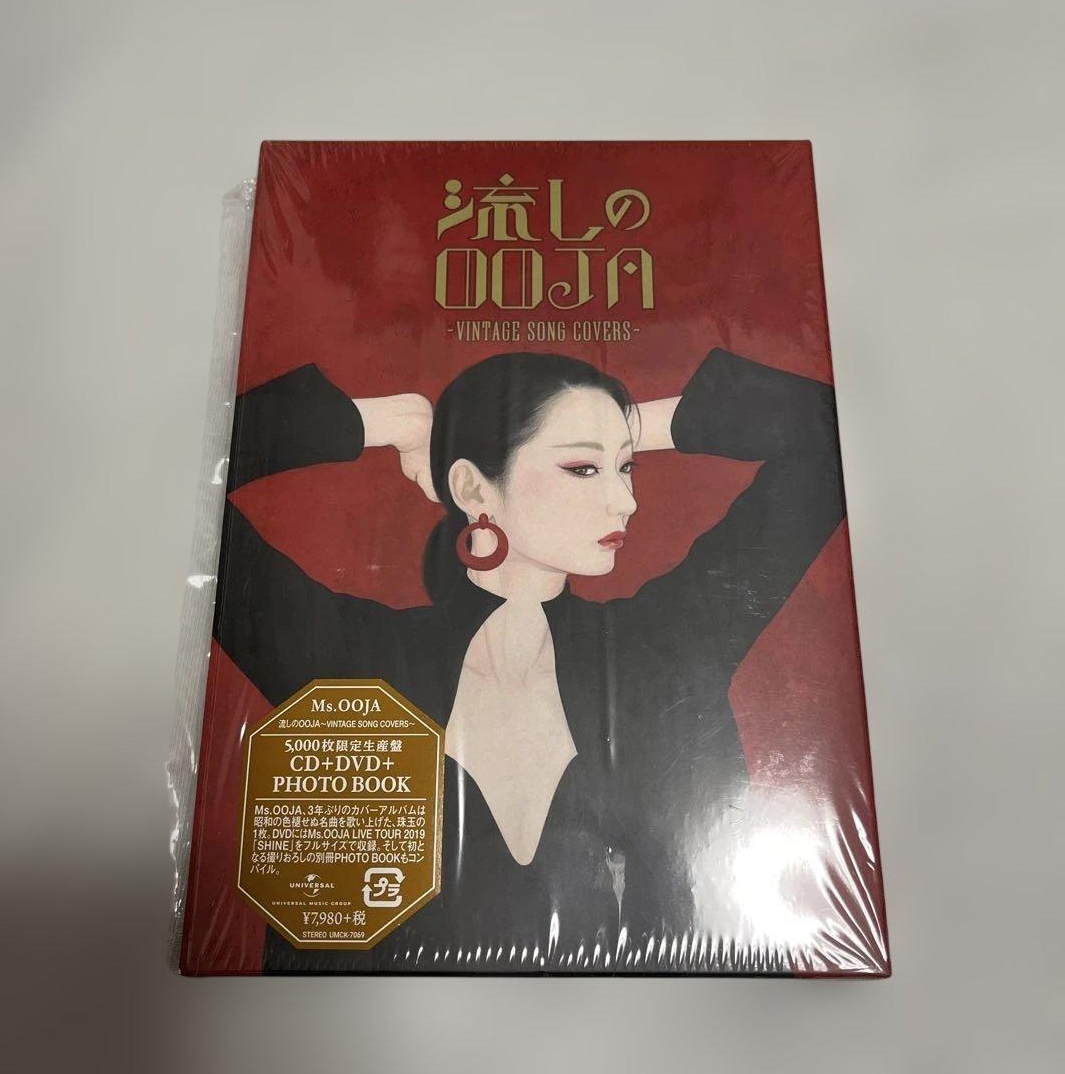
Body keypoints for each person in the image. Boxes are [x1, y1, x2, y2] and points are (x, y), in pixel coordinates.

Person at [215, 347, 845, 973]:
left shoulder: (669, 642)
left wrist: (632, 426)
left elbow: (826, 438)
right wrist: (383, 422)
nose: (625, 501)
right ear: (472, 487)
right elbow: (182, 487)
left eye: (627, 468)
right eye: (582, 468)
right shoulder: (352, 656)